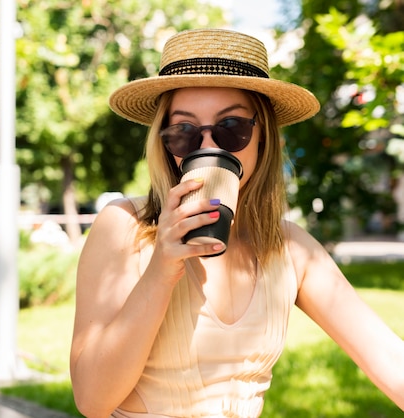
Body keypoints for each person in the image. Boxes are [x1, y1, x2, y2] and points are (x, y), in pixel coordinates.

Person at [69, 28, 404, 418]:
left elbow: (389, 359)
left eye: (231, 128)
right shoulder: (125, 227)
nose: (208, 146)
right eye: (184, 131)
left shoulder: (289, 248)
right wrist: (161, 267)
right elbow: (92, 401)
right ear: (164, 143)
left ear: (263, 136)